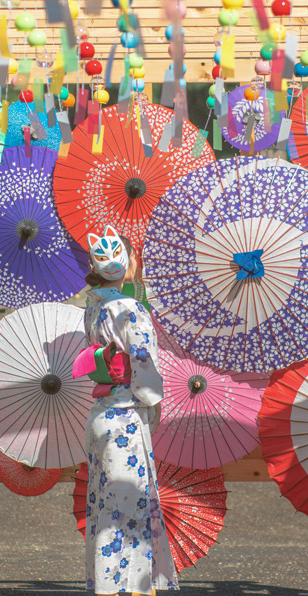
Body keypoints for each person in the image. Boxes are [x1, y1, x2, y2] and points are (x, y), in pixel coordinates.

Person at [82, 225, 178, 596]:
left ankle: (108, 585)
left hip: (102, 412)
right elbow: (144, 364)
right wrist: (153, 400)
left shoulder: (95, 307)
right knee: (127, 510)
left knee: (105, 506)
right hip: (124, 413)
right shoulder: (129, 308)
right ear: (128, 264)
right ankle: (125, 589)